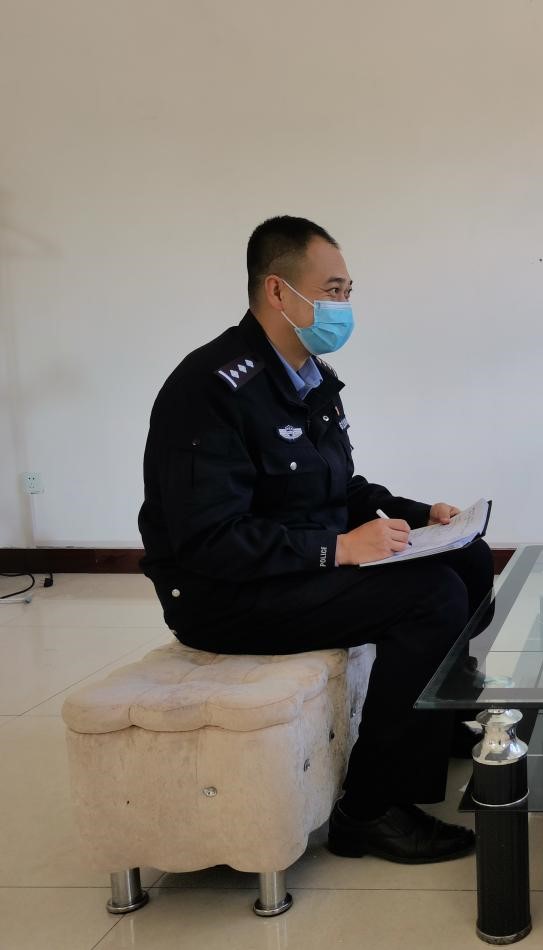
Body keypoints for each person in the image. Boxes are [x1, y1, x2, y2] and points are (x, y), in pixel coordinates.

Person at [138, 215, 490, 864]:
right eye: (331, 291)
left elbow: (339, 488)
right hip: (224, 595)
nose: (342, 307)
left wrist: (422, 517)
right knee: (431, 597)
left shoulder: (311, 377)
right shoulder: (211, 389)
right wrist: (338, 549)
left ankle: (433, 732)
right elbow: (208, 540)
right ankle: (370, 810)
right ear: (278, 291)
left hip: (291, 567)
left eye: (347, 292)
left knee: (466, 558)